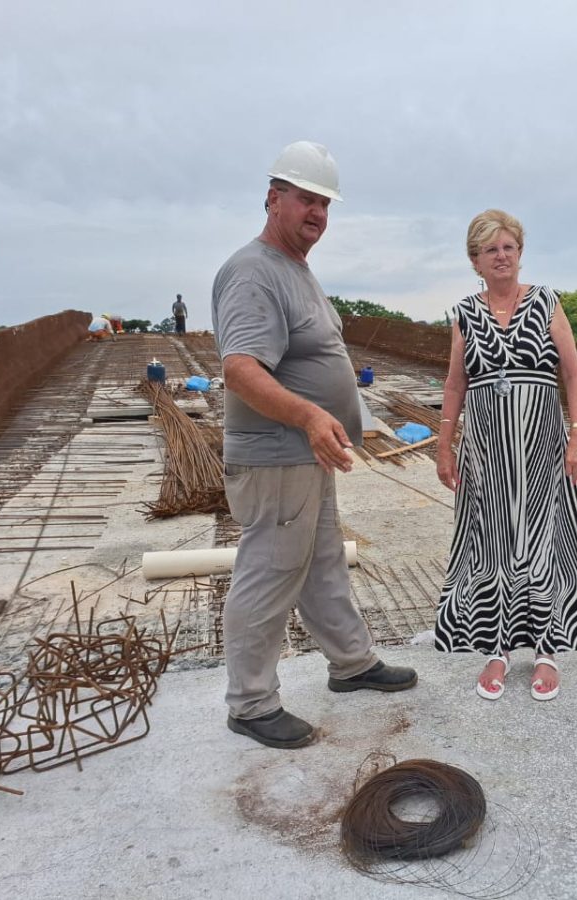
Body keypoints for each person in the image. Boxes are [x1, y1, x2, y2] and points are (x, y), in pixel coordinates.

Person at [211, 141, 417, 750]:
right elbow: (241, 369)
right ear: (273, 198)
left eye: (325, 204)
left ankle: (351, 663)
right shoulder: (254, 271)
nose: (317, 214)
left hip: (305, 454)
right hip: (275, 456)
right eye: (305, 199)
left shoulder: (294, 269)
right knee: (270, 571)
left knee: (321, 560)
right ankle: (250, 703)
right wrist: (307, 415)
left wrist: (344, 417)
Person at [434, 209, 577, 702]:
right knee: (491, 539)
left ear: (520, 253)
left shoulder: (546, 302)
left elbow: (573, 374)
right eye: (491, 249)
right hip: (485, 446)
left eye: (509, 247)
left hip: (542, 441)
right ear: (476, 261)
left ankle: (548, 649)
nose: (502, 256)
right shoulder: (465, 313)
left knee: (546, 537)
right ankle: (497, 647)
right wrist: (445, 446)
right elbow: (455, 382)